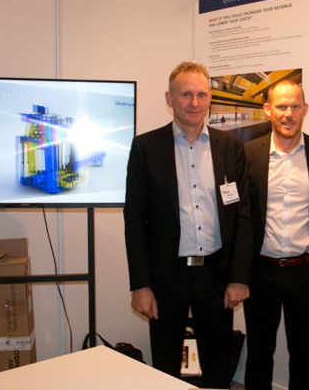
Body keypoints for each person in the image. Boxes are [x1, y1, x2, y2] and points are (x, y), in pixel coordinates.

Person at [123, 61, 252, 388]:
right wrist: (141, 285)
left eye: (201, 94)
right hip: (167, 277)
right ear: (169, 98)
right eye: (186, 95)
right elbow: (134, 220)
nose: (194, 103)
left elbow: (242, 215)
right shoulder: (146, 147)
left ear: (210, 98)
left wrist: (239, 277)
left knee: (218, 370)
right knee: (165, 370)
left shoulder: (231, 147)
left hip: (216, 275)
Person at [244, 80, 309, 389]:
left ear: (305, 109)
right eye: (281, 106)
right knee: (259, 355)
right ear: (268, 110)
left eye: (295, 106)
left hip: (306, 274)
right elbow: (243, 212)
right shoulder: (248, 153)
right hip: (260, 273)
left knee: (304, 357)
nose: (289, 114)